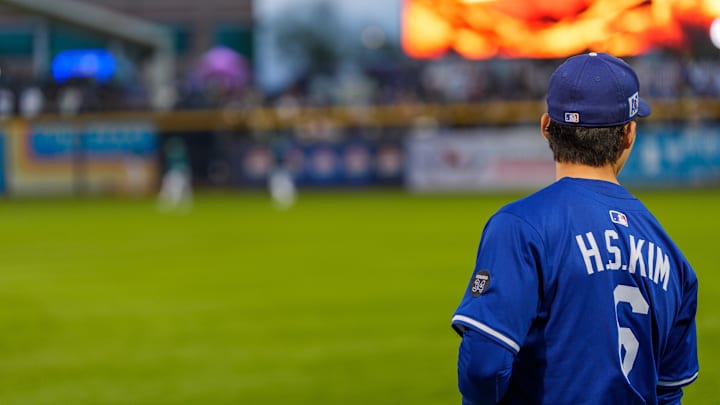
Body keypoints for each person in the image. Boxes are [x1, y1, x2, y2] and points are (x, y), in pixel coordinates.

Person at [451, 52, 699, 404]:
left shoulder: (520, 227)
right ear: (629, 133)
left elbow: (484, 366)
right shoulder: (672, 256)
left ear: (546, 127)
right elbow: (669, 392)